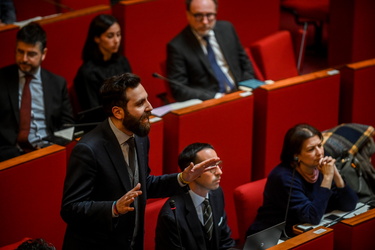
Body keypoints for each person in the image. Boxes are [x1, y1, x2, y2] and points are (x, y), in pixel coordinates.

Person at [60, 73, 221, 250]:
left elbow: (144, 185)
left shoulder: (140, 137)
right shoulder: (88, 150)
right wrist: (113, 208)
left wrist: (183, 178)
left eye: (147, 100)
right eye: (140, 103)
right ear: (118, 112)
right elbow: (71, 208)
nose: (150, 107)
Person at [247, 124, 358, 238]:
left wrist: (335, 174)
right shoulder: (283, 178)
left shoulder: (321, 167)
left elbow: (349, 205)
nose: (319, 152)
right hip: (273, 238)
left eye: (320, 145)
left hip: (304, 233)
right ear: (296, 155)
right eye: (311, 149)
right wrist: (327, 178)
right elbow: (312, 217)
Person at [0, 22, 74, 161]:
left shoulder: (57, 84)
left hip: (49, 151)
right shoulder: (2, 80)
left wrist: (52, 147)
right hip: (9, 156)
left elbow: (67, 126)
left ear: (43, 54)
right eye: (20, 52)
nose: (24, 59)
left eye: (31, 54)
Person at [166, 0, 255, 102]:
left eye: (209, 15)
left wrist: (246, 87)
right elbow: (179, 88)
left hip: (242, 93)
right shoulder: (177, 46)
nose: (205, 21)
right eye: (198, 16)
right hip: (211, 102)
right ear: (188, 15)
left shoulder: (227, 29)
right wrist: (216, 97)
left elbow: (245, 63)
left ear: (216, 12)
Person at [155, 143, 235, 250]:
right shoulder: (171, 216)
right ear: (193, 172)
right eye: (211, 167)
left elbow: (225, 242)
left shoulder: (216, 194)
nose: (219, 172)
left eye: (218, 164)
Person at [74, 14, 132, 111]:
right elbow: (94, 110)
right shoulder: (88, 73)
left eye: (118, 34)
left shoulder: (122, 62)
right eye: (110, 36)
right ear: (97, 38)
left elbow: (132, 94)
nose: (117, 40)